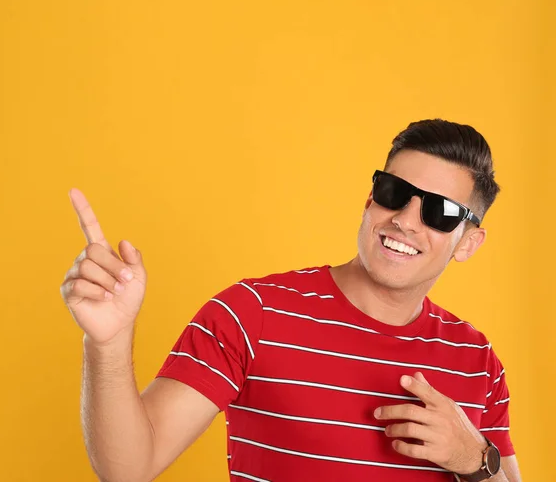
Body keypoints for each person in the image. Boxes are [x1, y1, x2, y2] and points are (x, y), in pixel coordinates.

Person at [61, 118, 522, 482]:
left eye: (440, 212)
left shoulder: (477, 361)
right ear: (370, 199)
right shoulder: (252, 313)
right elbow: (127, 468)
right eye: (394, 192)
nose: (405, 219)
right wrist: (109, 344)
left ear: (468, 243)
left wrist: (474, 459)